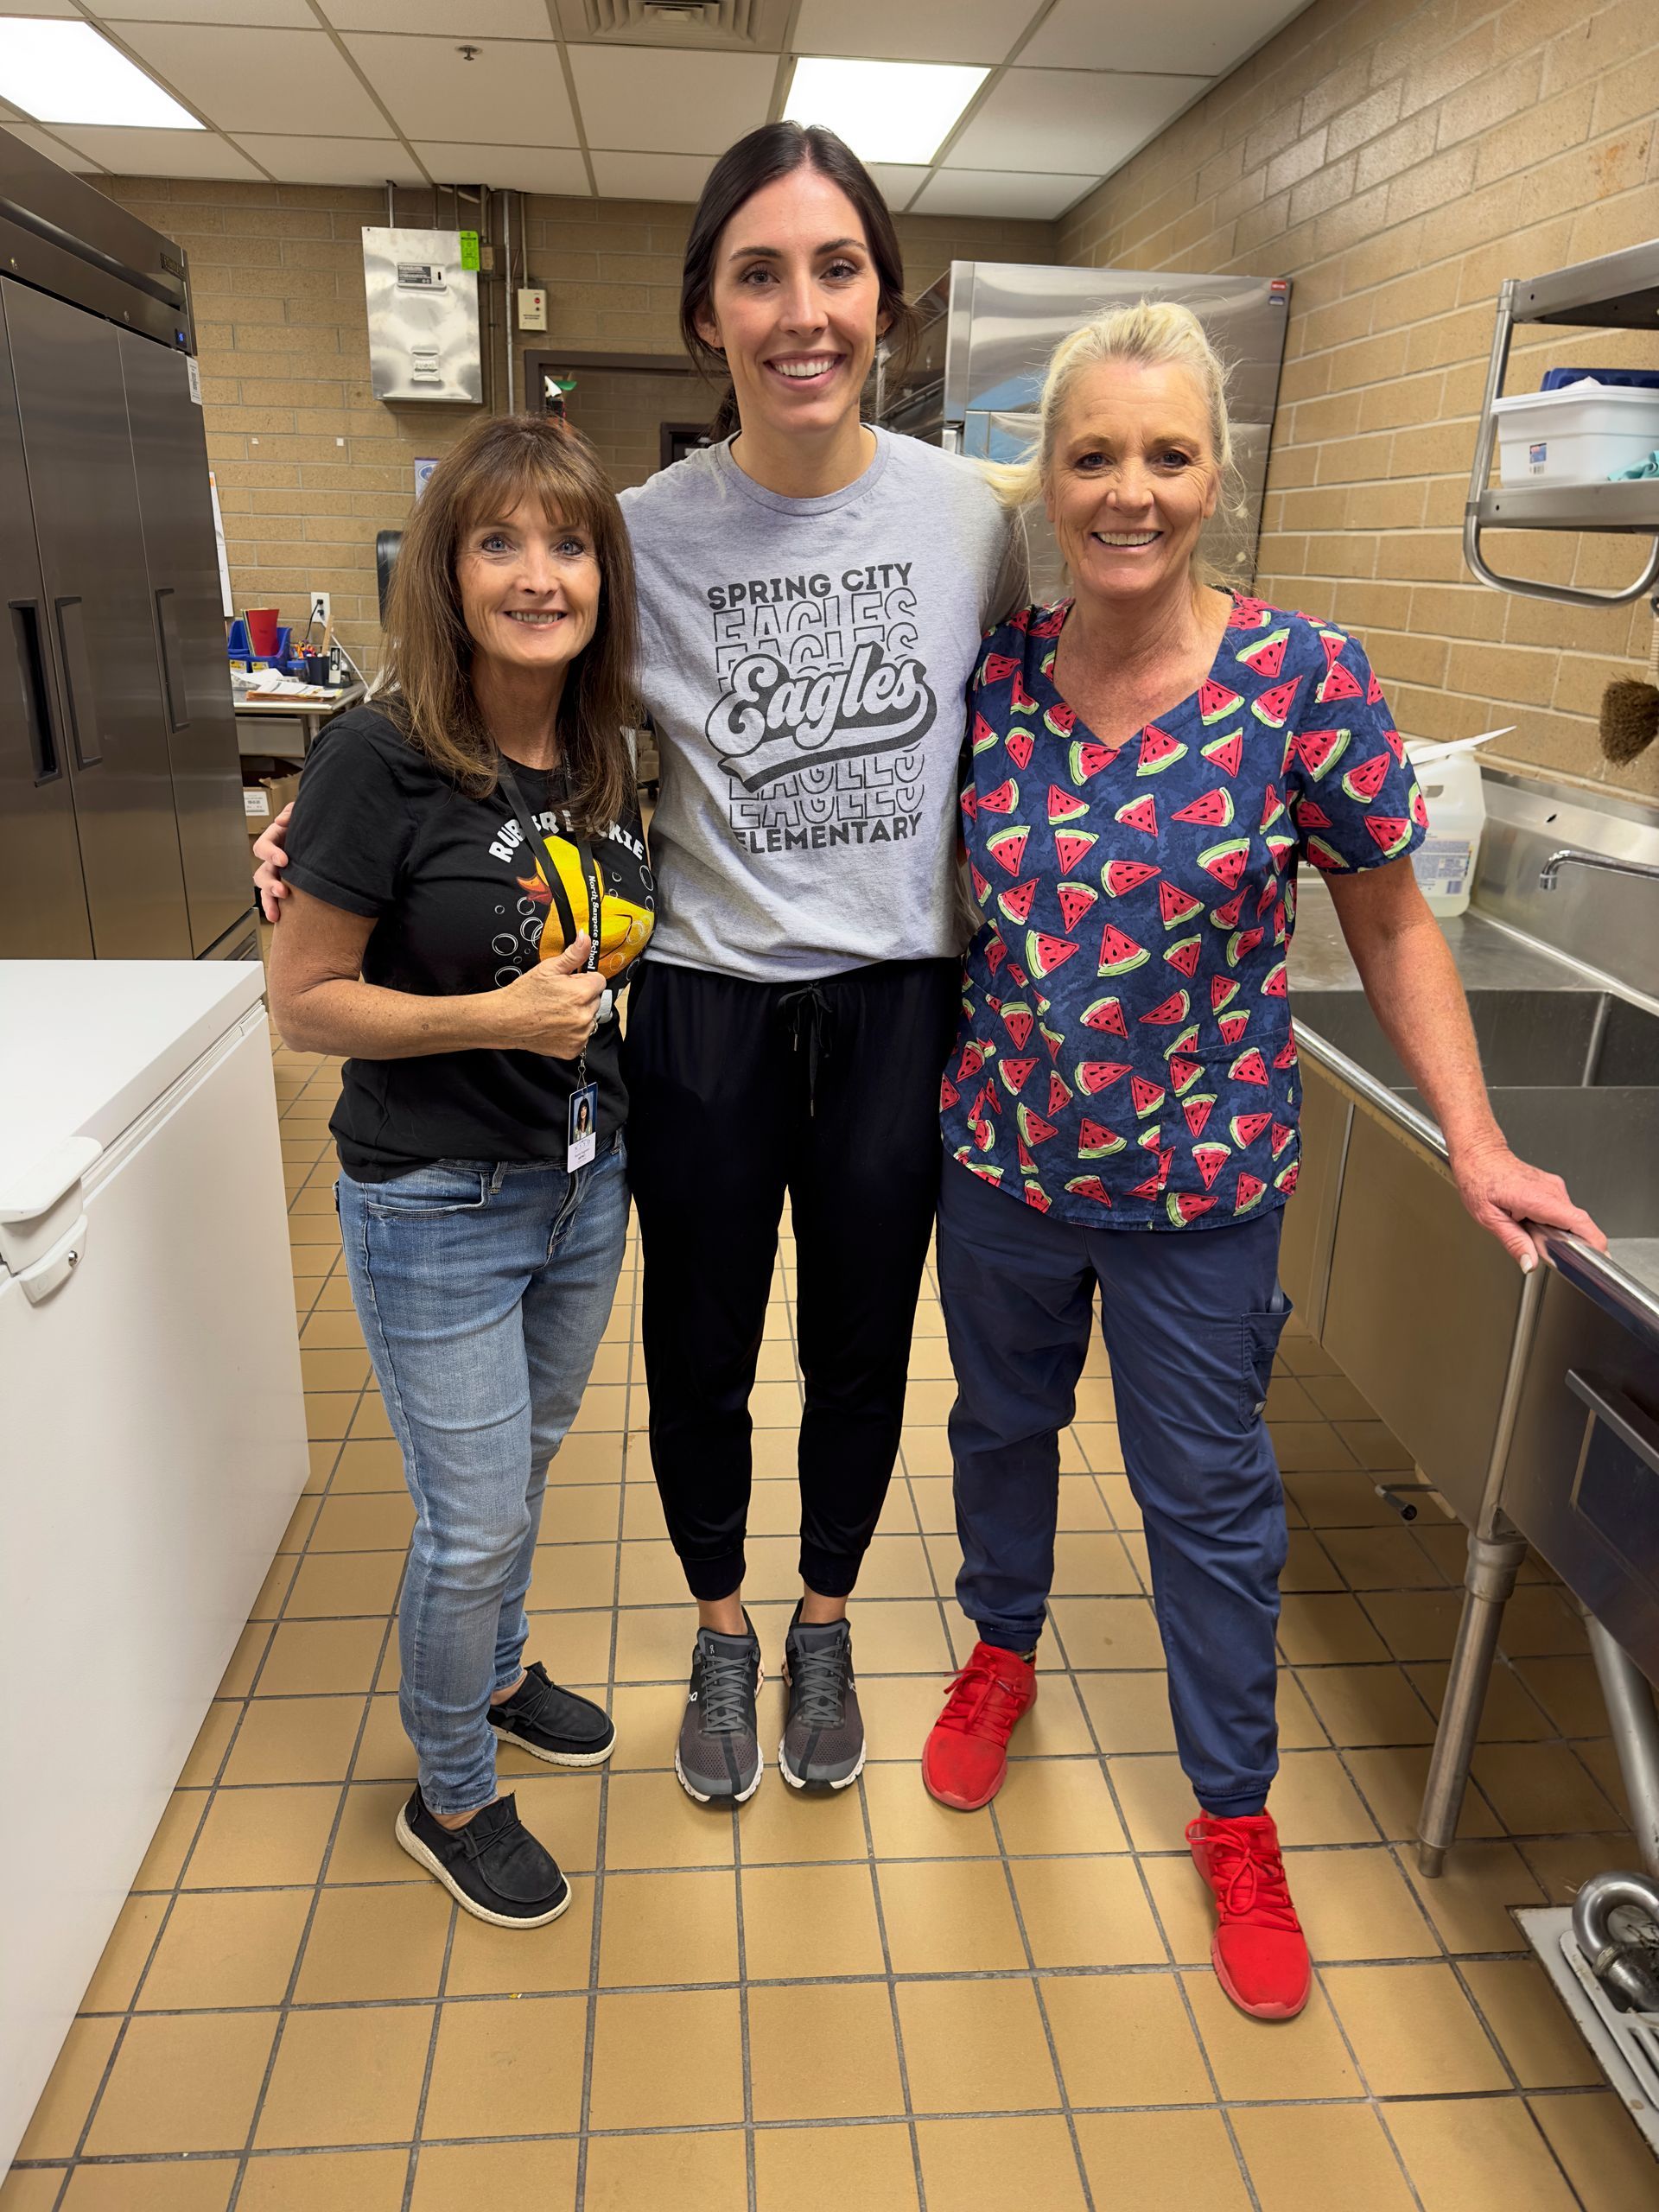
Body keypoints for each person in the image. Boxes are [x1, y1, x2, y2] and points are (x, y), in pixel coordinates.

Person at [259, 123, 1020, 1808]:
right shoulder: (641, 531)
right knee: (697, 1341)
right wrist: (326, 860)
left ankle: (824, 1614)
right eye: (761, 271)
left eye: (836, 269)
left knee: (863, 1341)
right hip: (707, 1004)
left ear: (885, 308)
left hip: (903, 997)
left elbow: (1038, 742)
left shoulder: (974, 520)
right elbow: (514, 735)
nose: (801, 308)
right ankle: (727, 1623)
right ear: (707, 313)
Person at [923, 302, 1605, 2020]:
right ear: (1050, 479)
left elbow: (1391, 923)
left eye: (1166, 454)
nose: (1129, 491)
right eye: (1094, 455)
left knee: (1209, 1510)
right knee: (999, 1428)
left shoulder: (1305, 677)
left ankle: (1235, 1813)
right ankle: (1001, 1645)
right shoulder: (995, 669)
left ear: (1219, 471)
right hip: (1001, 1161)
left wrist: (1479, 1136)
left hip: (1200, 1194)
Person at [265, 414, 655, 1929]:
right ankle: (450, 1790)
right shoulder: (378, 754)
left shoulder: (601, 749)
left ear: (603, 579)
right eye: (501, 542)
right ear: (450, 570)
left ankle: (491, 1674)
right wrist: (495, 1017)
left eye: (567, 545)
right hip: (434, 1198)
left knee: (523, 1466)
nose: (538, 576)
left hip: (577, 1185)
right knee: (472, 1512)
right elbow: (301, 1001)